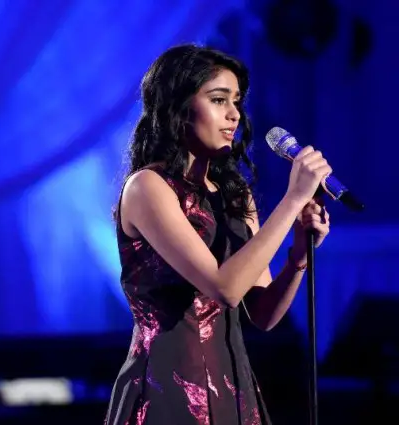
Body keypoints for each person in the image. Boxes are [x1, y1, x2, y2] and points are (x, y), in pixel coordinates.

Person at [104, 44, 332, 425]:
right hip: (165, 392)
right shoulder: (148, 187)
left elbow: (261, 313)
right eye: (218, 99)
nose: (233, 114)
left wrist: (297, 258)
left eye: (236, 102)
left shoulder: (234, 194)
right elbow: (223, 287)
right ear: (178, 107)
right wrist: (293, 199)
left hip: (232, 389)